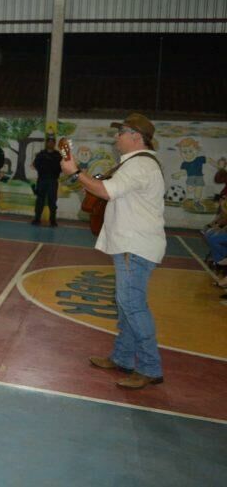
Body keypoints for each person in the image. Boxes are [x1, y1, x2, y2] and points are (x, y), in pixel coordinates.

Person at [60, 113, 166, 389]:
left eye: (121, 133)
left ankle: (149, 367)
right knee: (126, 305)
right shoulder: (135, 164)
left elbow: (106, 191)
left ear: (136, 137)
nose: (116, 138)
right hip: (133, 244)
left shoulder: (139, 165)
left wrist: (75, 172)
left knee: (132, 306)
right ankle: (122, 358)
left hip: (135, 245)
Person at [32, 136, 62, 227]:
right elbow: (36, 164)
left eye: (52, 142)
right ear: (46, 143)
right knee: (39, 200)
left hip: (53, 180)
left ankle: (52, 221)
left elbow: (61, 167)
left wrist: (54, 172)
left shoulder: (58, 155)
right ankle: (37, 219)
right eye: (49, 142)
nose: (51, 144)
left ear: (54, 144)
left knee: (52, 201)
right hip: (42, 180)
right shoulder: (41, 154)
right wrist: (43, 170)